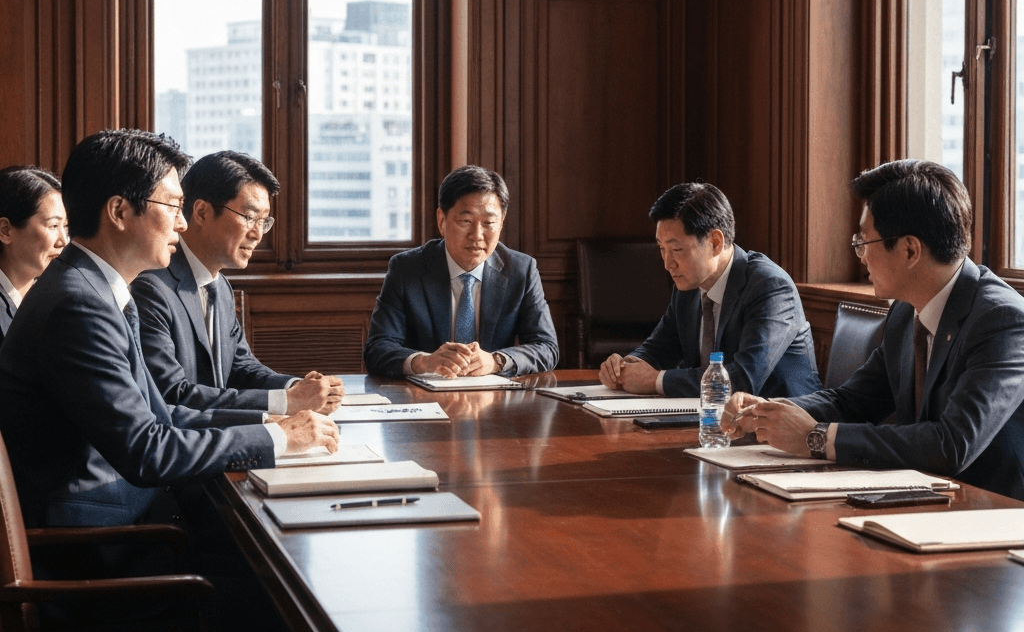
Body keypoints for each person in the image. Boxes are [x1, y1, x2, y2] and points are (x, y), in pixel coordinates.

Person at [0, 129, 339, 531]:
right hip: (100, 541)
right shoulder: (79, 304)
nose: (181, 224)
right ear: (120, 212)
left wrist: (267, 425)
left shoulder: (93, 287)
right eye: (174, 206)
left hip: (133, 516)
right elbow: (147, 451)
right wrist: (280, 439)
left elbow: (160, 415)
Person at [723, 159, 1024, 501]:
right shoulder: (904, 311)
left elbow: (952, 444)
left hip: (994, 514)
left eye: (864, 241)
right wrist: (768, 411)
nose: (860, 257)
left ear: (910, 250)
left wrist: (817, 438)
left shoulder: (1004, 321)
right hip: (926, 498)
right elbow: (852, 402)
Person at [132, 150, 344, 415]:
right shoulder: (151, 287)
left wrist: (297, 387)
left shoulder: (219, 286)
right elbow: (171, 394)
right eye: (249, 217)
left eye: (263, 221)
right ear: (201, 212)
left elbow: (241, 368)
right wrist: (286, 403)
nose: (257, 234)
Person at [598, 182, 820, 398]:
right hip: (714, 420)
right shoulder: (688, 286)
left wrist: (655, 381)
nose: (668, 264)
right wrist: (623, 367)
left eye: (676, 249)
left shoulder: (770, 287)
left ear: (715, 242)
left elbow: (744, 379)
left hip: (782, 424)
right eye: (662, 249)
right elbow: (659, 349)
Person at [364, 165, 559, 377]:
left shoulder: (521, 270)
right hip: (424, 400)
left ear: (501, 222)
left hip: (493, 399)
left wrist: (496, 361)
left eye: (489, 223)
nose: (477, 235)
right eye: (466, 221)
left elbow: (547, 347)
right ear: (442, 221)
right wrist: (424, 362)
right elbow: (377, 349)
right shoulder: (406, 269)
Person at [0, 166, 68, 344]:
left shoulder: (59, 295)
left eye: (66, 227)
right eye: (53, 226)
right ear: (5, 231)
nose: (63, 241)